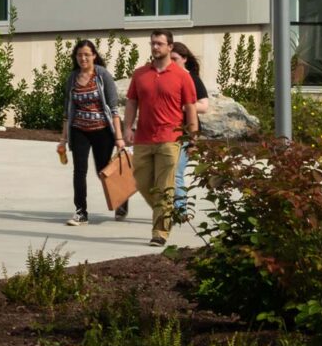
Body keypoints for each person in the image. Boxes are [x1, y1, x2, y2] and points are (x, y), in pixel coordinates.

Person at [124, 30, 199, 245]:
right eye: (152, 43)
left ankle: (160, 232)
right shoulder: (139, 74)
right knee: (141, 182)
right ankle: (166, 212)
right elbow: (131, 102)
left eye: (159, 44)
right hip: (143, 138)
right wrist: (128, 127)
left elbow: (190, 107)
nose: (155, 47)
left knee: (165, 186)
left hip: (170, 139)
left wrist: (193, 137)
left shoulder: (182, 76)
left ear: (170, 47)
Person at [53, 39, 126, 225]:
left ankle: (121, 200)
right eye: (79, 55)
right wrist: (63, 139)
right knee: (79, 171)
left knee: (103, 171)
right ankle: (81, 212)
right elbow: (67, 112)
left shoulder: (102, 75)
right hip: (79, 130)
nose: (83, 58)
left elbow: (114, 109)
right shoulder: (72, 77)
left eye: (86, 54)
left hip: (102, 131)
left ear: (94, 55)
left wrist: (119, 138)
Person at [171, 39, 210, 221]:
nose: (172, 62)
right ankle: (169, 208)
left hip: (187, 132)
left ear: (185, 59)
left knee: (177, 171)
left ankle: (181, 211)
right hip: (168, 132)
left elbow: (204, 105)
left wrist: (185, 106)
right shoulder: (166, 78)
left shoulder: (192, 78)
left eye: (175, 59)